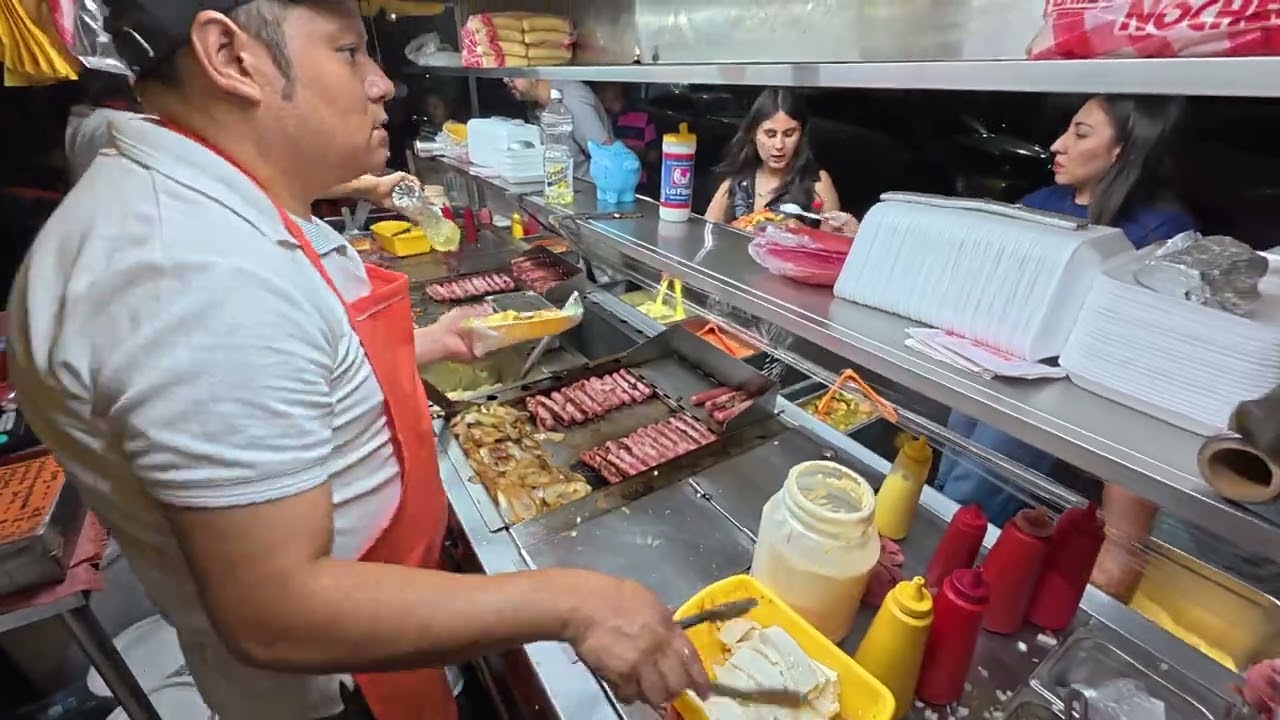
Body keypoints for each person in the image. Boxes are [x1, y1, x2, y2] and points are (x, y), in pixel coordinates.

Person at [7, 4, 707, 720]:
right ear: (230, 54)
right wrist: (575, 599)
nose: (384, 83)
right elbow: (277, 612)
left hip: (372, 643)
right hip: (336, 690)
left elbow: (294, 380)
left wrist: (426, 345)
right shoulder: (190, 270)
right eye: (347, 51)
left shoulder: (210, 201)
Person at [935, 95, 1198, 529]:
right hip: (993, 360)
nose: (1057, 145)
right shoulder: (1040, 201)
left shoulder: (1162, 232)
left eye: (1080, 134)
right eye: (1066, 130)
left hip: (1057, 388)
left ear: (1125, 150)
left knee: (972, 495)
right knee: (950, 466)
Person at [703, 88, 856, 233]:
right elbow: (706, 232)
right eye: (770, 134)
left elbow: (831, 247)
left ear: (801, 134)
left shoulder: (816, 181)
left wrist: (806, 234)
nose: (779, 145)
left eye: (789, 134)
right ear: (753, 133)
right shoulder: (737, 180)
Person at [505, 78, 612, 177]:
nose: (506, 80)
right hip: (557, 183)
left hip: (587, 188)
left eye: (512, 76)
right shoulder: (536, 105)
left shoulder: (572, 99)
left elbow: (607, 154)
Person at [596, 82, 659, 178]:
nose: (599, 93)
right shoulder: (596, 118)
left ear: (617, 86)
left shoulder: (642, 117)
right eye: (598, 90)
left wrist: (639, 153)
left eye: (603, 88)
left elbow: (655, 158)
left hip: (636, 184)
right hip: (604, 181)